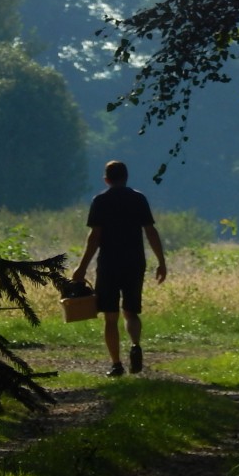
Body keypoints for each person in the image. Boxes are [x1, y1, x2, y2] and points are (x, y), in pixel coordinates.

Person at [72, 160, 167, 376]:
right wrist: (161, 262)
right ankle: (135, 345)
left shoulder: (100, 201)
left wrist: (82, 268)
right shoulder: (138, 199)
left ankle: (116, 364)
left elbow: (94, 237)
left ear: (106, 179)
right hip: (135, 263)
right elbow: (151, 232)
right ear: (126, 178)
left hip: (109, 264)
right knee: (131, 311)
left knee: (110, 316)